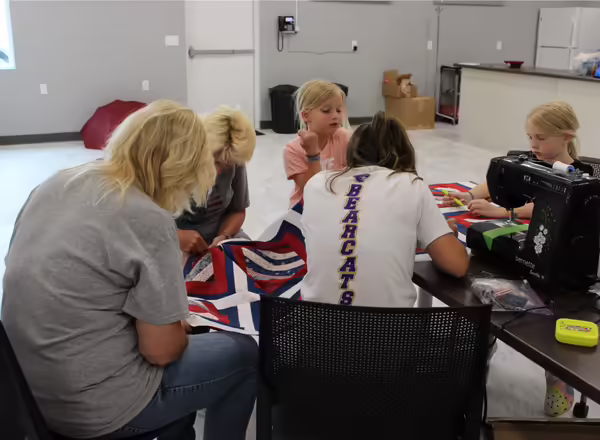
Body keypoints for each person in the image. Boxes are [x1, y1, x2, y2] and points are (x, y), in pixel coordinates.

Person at [1, 100, 257, 440]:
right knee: (243, 354)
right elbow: (162, 351)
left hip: (24, 391)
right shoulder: (148, 219)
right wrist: (178, 323)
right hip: (95, 409)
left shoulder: (56, 182)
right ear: (188, 166)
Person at [301, 112, 468, 307]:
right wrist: (442, 235)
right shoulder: (410, 185)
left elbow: (357, 229)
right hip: (389, 333)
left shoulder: (317, 183)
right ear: (404, 152)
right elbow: (456, 265)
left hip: (314, 330)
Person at [445, 101, 594, 219]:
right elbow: (498, 184)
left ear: (567, 137)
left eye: (541, 138)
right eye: (530, 137)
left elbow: (550, 206)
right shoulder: (527, 161)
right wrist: (469, 196)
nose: (533, 144)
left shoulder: (580, 176)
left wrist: (504, 212)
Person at [177, 106, 256, 254]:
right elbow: (142, 223)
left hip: (216, 240)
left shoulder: (234, 160)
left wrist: (224, 235)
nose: (218, 171)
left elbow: (238, 210)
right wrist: (178, 237)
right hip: (170, 241)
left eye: (227, 165)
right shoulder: (175, 161)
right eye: (215, 162)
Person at [284, 80, 352, 207]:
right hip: (306, 209)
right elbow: (311, 191)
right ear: (306, 116)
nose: (335, 116)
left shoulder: (346, 139)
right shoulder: (293, 149)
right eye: (326, 111)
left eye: (338, 110)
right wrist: (313, 155)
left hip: (338, 204)